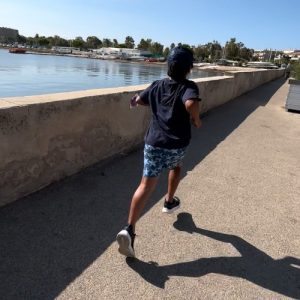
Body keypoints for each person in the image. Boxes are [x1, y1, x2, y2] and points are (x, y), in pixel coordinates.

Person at [116, 46, 202, 257]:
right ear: (189, 68)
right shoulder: (189, 86)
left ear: (168, 65)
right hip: (176, 145)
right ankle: (169, 201)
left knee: (145, 185)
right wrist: (197, 120)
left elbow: (140, 100)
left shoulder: (156, 85)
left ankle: (129, 229)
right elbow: (190, 103)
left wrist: (136, 100)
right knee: (176, 166)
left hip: (153, 144)